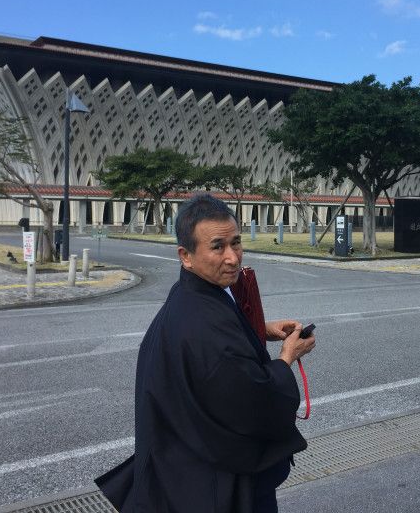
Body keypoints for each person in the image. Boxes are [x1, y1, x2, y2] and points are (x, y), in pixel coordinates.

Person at [99, 193, 315, 512]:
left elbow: (222, 338)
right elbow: (253, 401)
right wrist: (287, 358)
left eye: (236, 243)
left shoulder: (192, 296)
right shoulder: (204, 324)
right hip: (214, 488)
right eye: (217, 247)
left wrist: (259, 328)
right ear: (185, 256)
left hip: (181, 468)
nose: (233, 258)